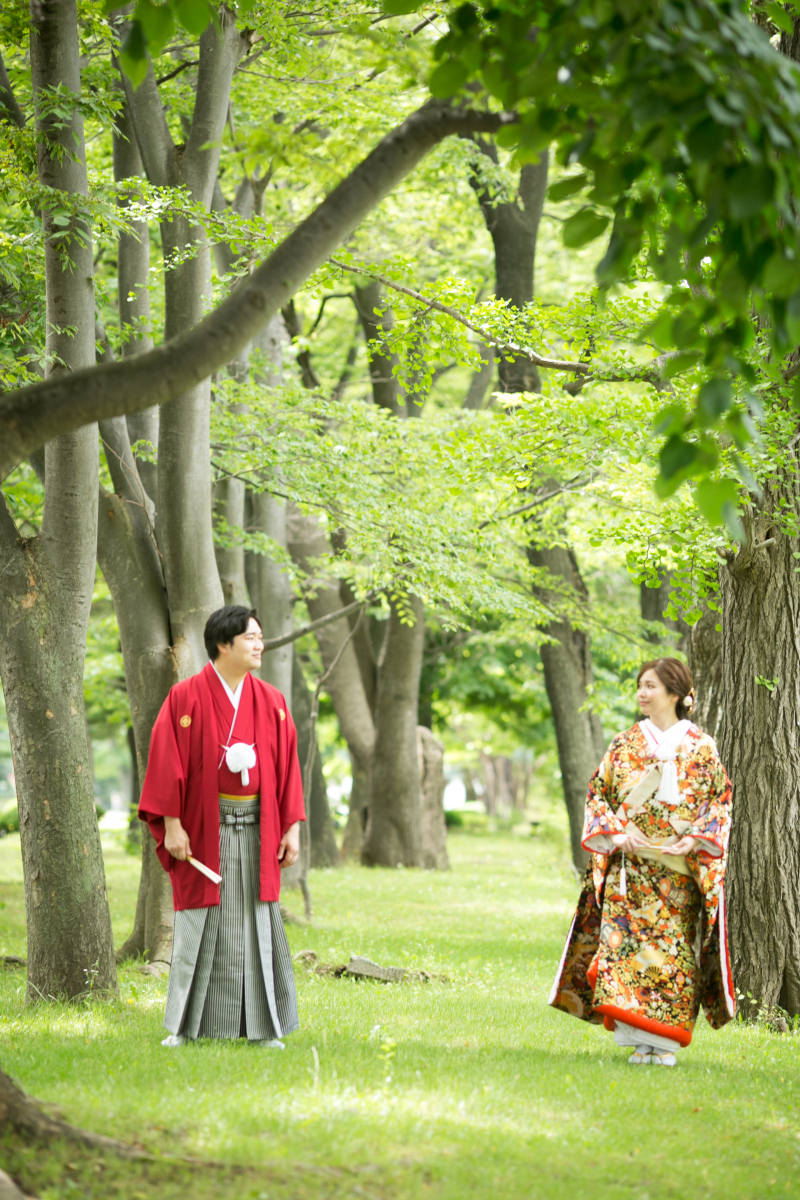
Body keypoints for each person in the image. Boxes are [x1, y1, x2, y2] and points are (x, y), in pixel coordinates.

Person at [549, 657, 734, 1066]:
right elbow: (598, 794)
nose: (642, 693)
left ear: (675, 693)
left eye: (650, 686)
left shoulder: (702, 747)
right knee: (626, 952)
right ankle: (637, 1039)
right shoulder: (624, 743)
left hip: (677, 871)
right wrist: (617, 835)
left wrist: (694, 842)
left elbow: (719, 801)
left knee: (672, 955)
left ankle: (664, 1044)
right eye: (640, 685)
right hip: (630, 870)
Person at [139, 605, 305, 1049]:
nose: (259, 645)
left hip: (257, 828)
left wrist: (292, 828)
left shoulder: (272, 702)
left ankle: (263, 1029)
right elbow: (166, 762)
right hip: (202, 829)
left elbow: (288, 769)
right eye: (251, 637)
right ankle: (185, 1028)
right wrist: (172, 826)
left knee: (256, 921)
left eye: (260, 637)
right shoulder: (186, 697)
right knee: (199, 920)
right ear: (223, 644)